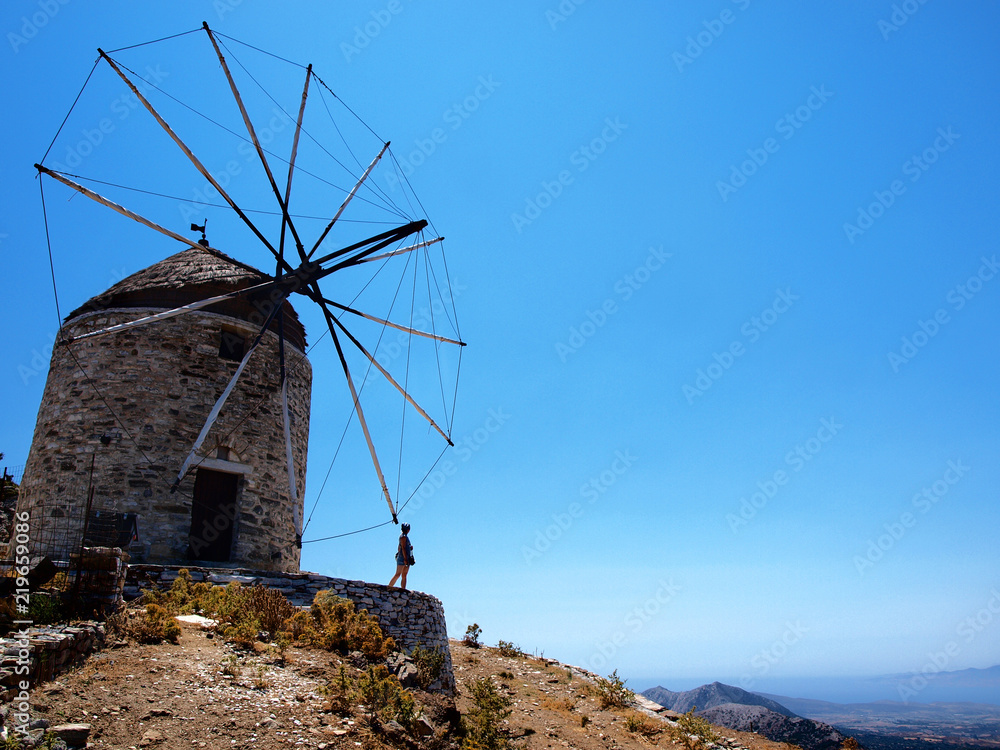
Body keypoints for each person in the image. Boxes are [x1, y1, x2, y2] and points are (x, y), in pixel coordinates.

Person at [388, 523, 413, 589]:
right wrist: (405, 559)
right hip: (403, 558)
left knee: (404, 575)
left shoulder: (404, 537)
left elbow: (400, 548)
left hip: (406, 557)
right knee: (398, 574)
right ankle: (389, 587)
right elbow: (403, 548)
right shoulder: (403, 537)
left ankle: (403, 589)